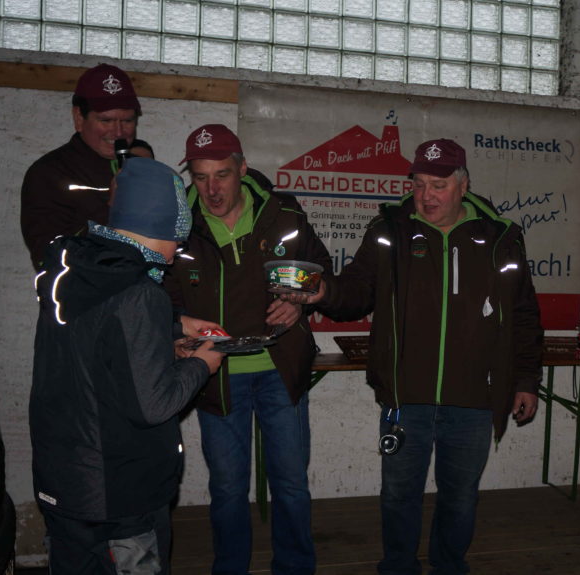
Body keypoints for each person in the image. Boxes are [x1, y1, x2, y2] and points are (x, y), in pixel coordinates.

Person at [282, 138, 543, 575]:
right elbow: (356, 291)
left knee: (460, 498)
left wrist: (526, 380)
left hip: (475, 399)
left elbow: (524, 316)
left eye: (438, 185)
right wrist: (324, 291)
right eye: (419, 184)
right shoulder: (390, 231)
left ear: (463, 186)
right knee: (398, 496)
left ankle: (449, 567)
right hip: (406, 398)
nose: (426, 196)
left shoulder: (501, 239)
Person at [30, 157, 224, 574]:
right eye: (178, 238)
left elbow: (99, 336)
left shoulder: (79, 270)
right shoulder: (141, 293)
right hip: (119, 494)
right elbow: (154, 403)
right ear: (168, 226)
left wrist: (173, 327)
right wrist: (202, 365)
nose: (175, 255)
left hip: (64, 482)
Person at [163, 124, 329, 575]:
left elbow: (318, 269)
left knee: (291, 484)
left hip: (280, 369)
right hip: (215, 375)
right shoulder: (178, 225)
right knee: (228, 489)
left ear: (242, 169)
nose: (212, 189)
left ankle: (295, 568)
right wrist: (176, 332)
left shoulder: (284, 213)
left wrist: (299, 301)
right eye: (200, 177)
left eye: (222, 175)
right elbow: (161, 296)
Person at [21, 63, 144, 271]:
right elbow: (48, 257)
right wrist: (113, 209)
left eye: (127, 121)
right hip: (83, 290)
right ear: (79, 118)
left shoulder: (145, 170)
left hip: (139, 290)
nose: (118, 132)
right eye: (106, 120)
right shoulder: (48, 174)